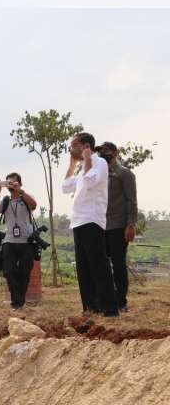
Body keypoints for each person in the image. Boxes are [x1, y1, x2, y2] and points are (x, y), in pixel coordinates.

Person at [62, 133, 119, 317]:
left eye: (74, 145)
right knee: (83, 268)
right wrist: (72, 165)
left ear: (86, 146)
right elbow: (65, 186)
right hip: (78, 221)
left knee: (98, 266)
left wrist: (86, 161)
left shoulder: (99, 163)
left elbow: (88, 182)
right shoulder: (82, 168)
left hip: (92, 220)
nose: (71, 149)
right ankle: (90, 308)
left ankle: (109, 309)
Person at [0, 173, 38, 310]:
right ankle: (17, 303)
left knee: (24, 272)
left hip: (26, 241)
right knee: (9, 272)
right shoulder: (5, 201)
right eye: (9, 182)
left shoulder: (26, 198)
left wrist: (20, 191)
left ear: (20, 184)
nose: (11, 184)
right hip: (8, 241)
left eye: (14, 182)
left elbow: (34, 205)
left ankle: (18, 302)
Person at [98, 142, 138, 313]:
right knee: (102, 264)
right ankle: (106, 299)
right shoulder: (100, 173)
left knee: (118, 264)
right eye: (100, 151)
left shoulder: (124, 173)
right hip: (100, 225)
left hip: (118, 225)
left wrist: (131, 224)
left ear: (115, 153)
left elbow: (131, 200)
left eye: (106, 151)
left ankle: (121, 301)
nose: (102, 154)